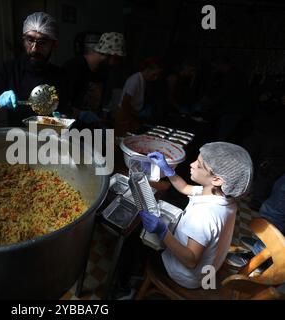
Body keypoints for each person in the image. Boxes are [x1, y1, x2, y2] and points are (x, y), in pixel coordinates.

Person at [139, 142, 253, 289]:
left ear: (217, 179)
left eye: (199, 165)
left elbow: (191, 260)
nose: (192, 164)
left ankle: (131, 286)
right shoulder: (220, 195)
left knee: (139, 246)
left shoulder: (204, 215)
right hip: (208, 271)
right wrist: (168, 171)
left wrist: (162, 232)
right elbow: (185, 188)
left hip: (186, 275)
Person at [0, 12, 65, 127]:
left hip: (48, 137)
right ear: (23, 40)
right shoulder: (10, 69)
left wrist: (62, 118)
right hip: (16, 137)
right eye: (30, 40)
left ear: (54, 45)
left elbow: (65, 111)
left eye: (42, 42)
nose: (34, 48)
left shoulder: (60, 75)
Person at [63, 32, 126, 128]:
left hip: (91, 127)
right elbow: (60, 103)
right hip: (70, 128)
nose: (115, 64)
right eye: (117, 59)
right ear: (112, 56)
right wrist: (79, 114)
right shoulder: (73, 67)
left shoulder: (103, 71)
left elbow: (100, 101)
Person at [114, 58, 163, 137]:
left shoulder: (142, 79)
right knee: (120, 139)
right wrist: (135, 114)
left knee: (128, 138)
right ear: (147, 70)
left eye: (157, 75)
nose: (155, 78)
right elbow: (125, 102)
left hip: (131, 113)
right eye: (154, 74)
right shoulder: (135, 79)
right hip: (125, 113)